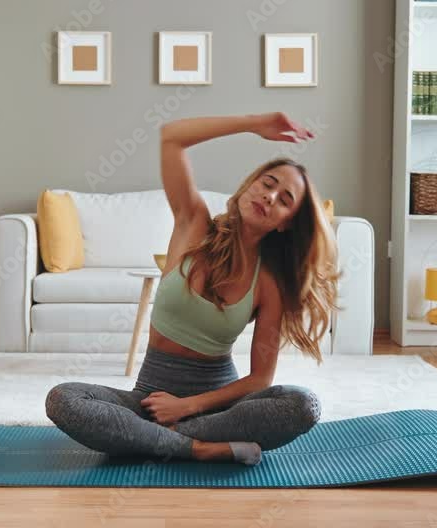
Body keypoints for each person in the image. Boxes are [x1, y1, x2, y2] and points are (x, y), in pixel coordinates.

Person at [45, 112, 340, 466]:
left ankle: (153, 441)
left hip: (219, 410)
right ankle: (199, 448)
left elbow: (261, 378)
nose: (270, 196)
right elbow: (172, 137)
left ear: (285, 224)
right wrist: (251, 124)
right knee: (63, 399)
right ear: (250, 184)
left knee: (302, 404)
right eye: (268, 183)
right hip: (150, 401)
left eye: (284, 199)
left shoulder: (268, 281)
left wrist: (187, 407)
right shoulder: (193, 222)